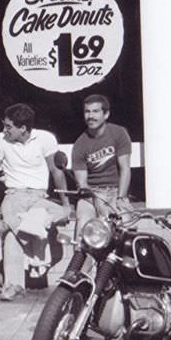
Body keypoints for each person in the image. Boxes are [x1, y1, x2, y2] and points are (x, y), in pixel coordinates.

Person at [0, 103, 70, 301]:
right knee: (17, 233)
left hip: (39, 197)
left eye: (9, 127)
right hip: (14, 196)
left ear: (24, 128)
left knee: (56, 214)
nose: (5, 130)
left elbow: (56, 172)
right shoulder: (0, 141)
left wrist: (66, 204)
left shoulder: (45, 139)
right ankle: (14, 285)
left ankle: (4, 225)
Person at [72, 94, 133, 237]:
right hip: (91, 194)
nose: (90, 116)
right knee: (83, 231)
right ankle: (81, 259)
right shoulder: (80, 144)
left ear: (106, 114)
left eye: (95, 111)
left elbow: (125, 168)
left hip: (116, 192)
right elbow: (82, 183)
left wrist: (121, 198)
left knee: (125, 226)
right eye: (87, 111)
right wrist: (96, 201)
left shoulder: (119, 133)